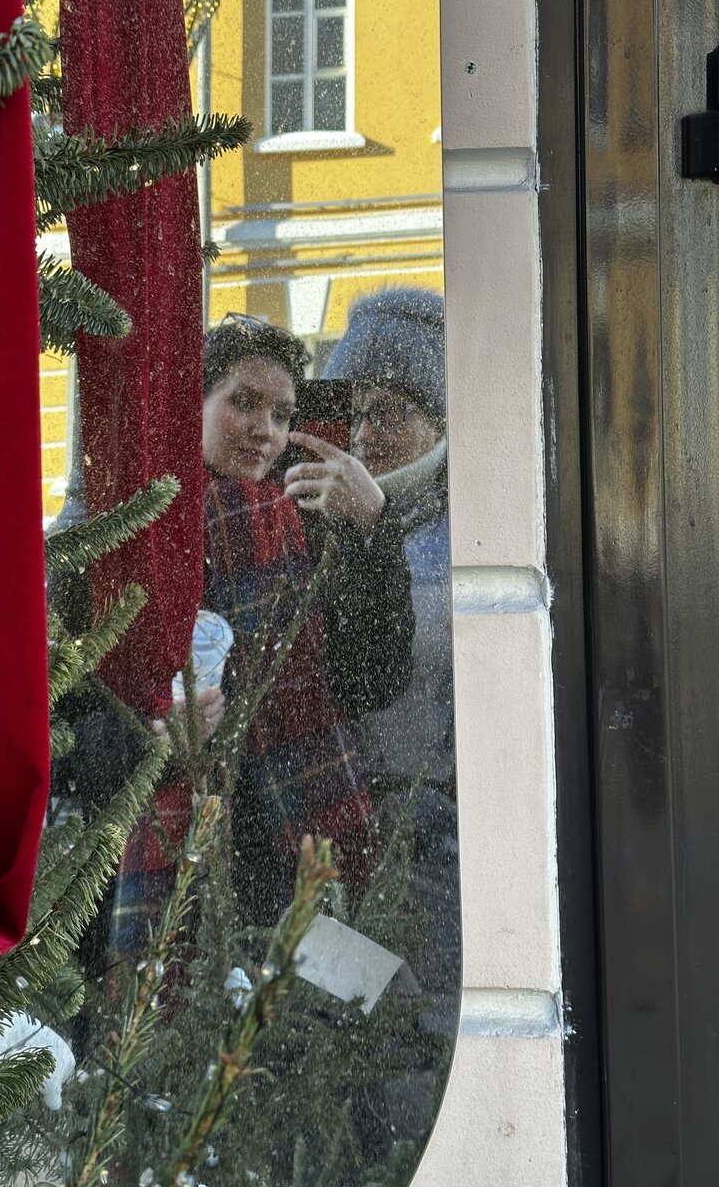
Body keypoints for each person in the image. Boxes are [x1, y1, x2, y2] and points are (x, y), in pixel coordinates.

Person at [108, 316, 415, 956]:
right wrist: (153, 733)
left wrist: (375, 528)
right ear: (193, 404)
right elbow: (67, 723)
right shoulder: (132, 535)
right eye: (243, 403)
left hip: (291, 868)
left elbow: (374, 679)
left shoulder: (306, 528)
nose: (264, 431)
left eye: (281, 414)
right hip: (167, 865)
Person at [323, 286, 459, 1088]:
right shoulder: (313, 521)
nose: (368, 434)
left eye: (394, 412)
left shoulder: (474, 530)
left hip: (441, 847)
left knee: (431, 1045)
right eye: (356, 412)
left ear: (440, 421)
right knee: (353, 1044)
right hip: (333, 834)